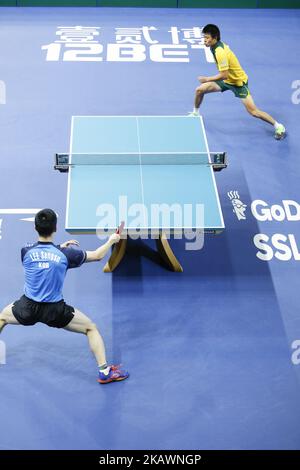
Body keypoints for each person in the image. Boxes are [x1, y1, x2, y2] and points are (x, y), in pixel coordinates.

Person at [0, 208, 129, 385]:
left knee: (1, 318)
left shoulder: (25, 251)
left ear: (35, 228)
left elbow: (43, 256)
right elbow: (98, 256)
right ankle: (104, 372)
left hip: (27, 308)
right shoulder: (67, 256)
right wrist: (111, 241)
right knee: (91, 328)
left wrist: (59, 247)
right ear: (56, 228)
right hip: (55, 311)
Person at [189, 24, 286, 140]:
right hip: (226, 80)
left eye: (207, 38)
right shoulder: (213, 46)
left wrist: (207, 79)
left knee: (254, 112)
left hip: (238, 82)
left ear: (215, 38)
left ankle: (278, 126)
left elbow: (223, 75)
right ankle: (195, 113)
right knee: (200, 90)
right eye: (204, 37)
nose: (204, 40)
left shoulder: (220, 52)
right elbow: (225, 75)